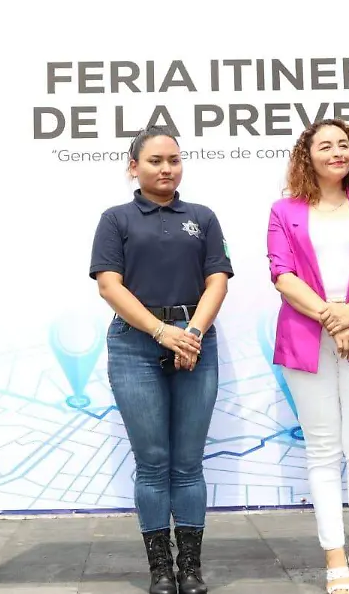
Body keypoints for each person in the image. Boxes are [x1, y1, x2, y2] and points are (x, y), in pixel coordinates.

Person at [89, 125, 233, 594]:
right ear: (134, 167)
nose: (166, 168)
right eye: (154, 160)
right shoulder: (116, 219)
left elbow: (217, 281)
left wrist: (190, 333)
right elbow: (110, 285)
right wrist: (161, 331)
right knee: (152, 462)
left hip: (195, 343)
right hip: (136, 343)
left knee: (189, 463)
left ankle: (190, 567)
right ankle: (160, 570)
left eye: (173, 159)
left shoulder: (204, 217)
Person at [265, 118, 349, 594]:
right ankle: (333, 556)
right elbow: (281, 275)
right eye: (326, 145)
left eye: (344, 145)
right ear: (309, 155)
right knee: (323, 449)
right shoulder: (285, 211)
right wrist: (331, 318)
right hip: (308, 337)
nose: (336, 152)